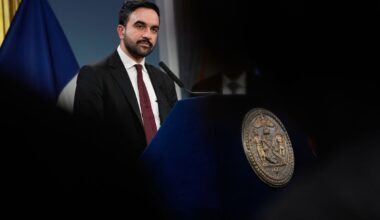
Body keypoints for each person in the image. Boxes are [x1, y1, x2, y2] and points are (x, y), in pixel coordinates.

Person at [73, 1, 177, 217]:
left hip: (169, 190)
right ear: (121, 30)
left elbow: (174, 135)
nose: (148, 34)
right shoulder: (94, 75)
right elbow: (86, 143)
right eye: (140, 26)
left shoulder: (163, 80)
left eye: (154, 29)